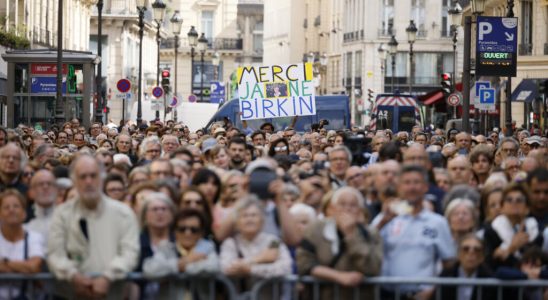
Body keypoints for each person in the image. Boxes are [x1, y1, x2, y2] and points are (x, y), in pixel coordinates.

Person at [47, 154, 139, 299]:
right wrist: (73, 276)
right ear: (74, 181)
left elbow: (130, 252)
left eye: (93, 176)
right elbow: (55, 254)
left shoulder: (123, 214)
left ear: (102, 178)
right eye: (83, 177)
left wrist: (108, 277)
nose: (88, 181)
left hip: (113, 293)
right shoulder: (61, 214)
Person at [380, 165, 455, 299]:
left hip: (423, 296)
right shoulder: (386, 219)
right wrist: (382, 223)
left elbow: (448, 262)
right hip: (388, 294)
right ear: (399, 187)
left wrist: (433, 289)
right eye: (407, 183)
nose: (412, 187)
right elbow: (369, 247)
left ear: (425, 187)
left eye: (416, 182)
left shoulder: (438, 222)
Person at [297, 187, 382, 299]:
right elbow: (304, 263)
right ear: (332, 208)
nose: (347, 209)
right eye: (342, 204)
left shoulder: (370, 233)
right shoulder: (316, 229)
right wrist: (338, 277)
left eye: (353, 205)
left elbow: (372, 268)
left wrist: (351, 235)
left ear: (360, 210)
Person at [220, 197, 292, 292]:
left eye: (254, 215)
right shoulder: (230, 243)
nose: (249, 219)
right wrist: (259, 259)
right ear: (237, 222)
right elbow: (226, 268)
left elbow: (285, 267)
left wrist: (250, 270)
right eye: (244, 216)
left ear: (262, 220)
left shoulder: (274, 242)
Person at [483, 183, 543, 271]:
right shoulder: (491, 232)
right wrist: (512, 248)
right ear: (502, 207)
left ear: (527, 208)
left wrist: (506, 252)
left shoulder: (536, 232)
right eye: (509, 200)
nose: (514, 202)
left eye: (519, 200)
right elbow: (489, 265)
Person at [0, 189, 44, 300]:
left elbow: (34, 267)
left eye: (16, 206)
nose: (11, 210)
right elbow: (29, 268)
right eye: (6, 207)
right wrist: (23, 267)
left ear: (24, 213)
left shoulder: (34, 237)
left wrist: (5, 262)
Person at [437, 234, 496, 300]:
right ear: (458, 254)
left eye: (477, 250)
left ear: (482, 257)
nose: (471, 253)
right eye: (466, 249)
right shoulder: (446, 276)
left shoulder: (489, 279)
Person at [26, 169, 58, 242]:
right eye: (40, 184)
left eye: (49, 183)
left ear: (56, 190)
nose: (45, 187)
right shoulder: (23, 218)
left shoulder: (66, 216)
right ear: (31, 192)